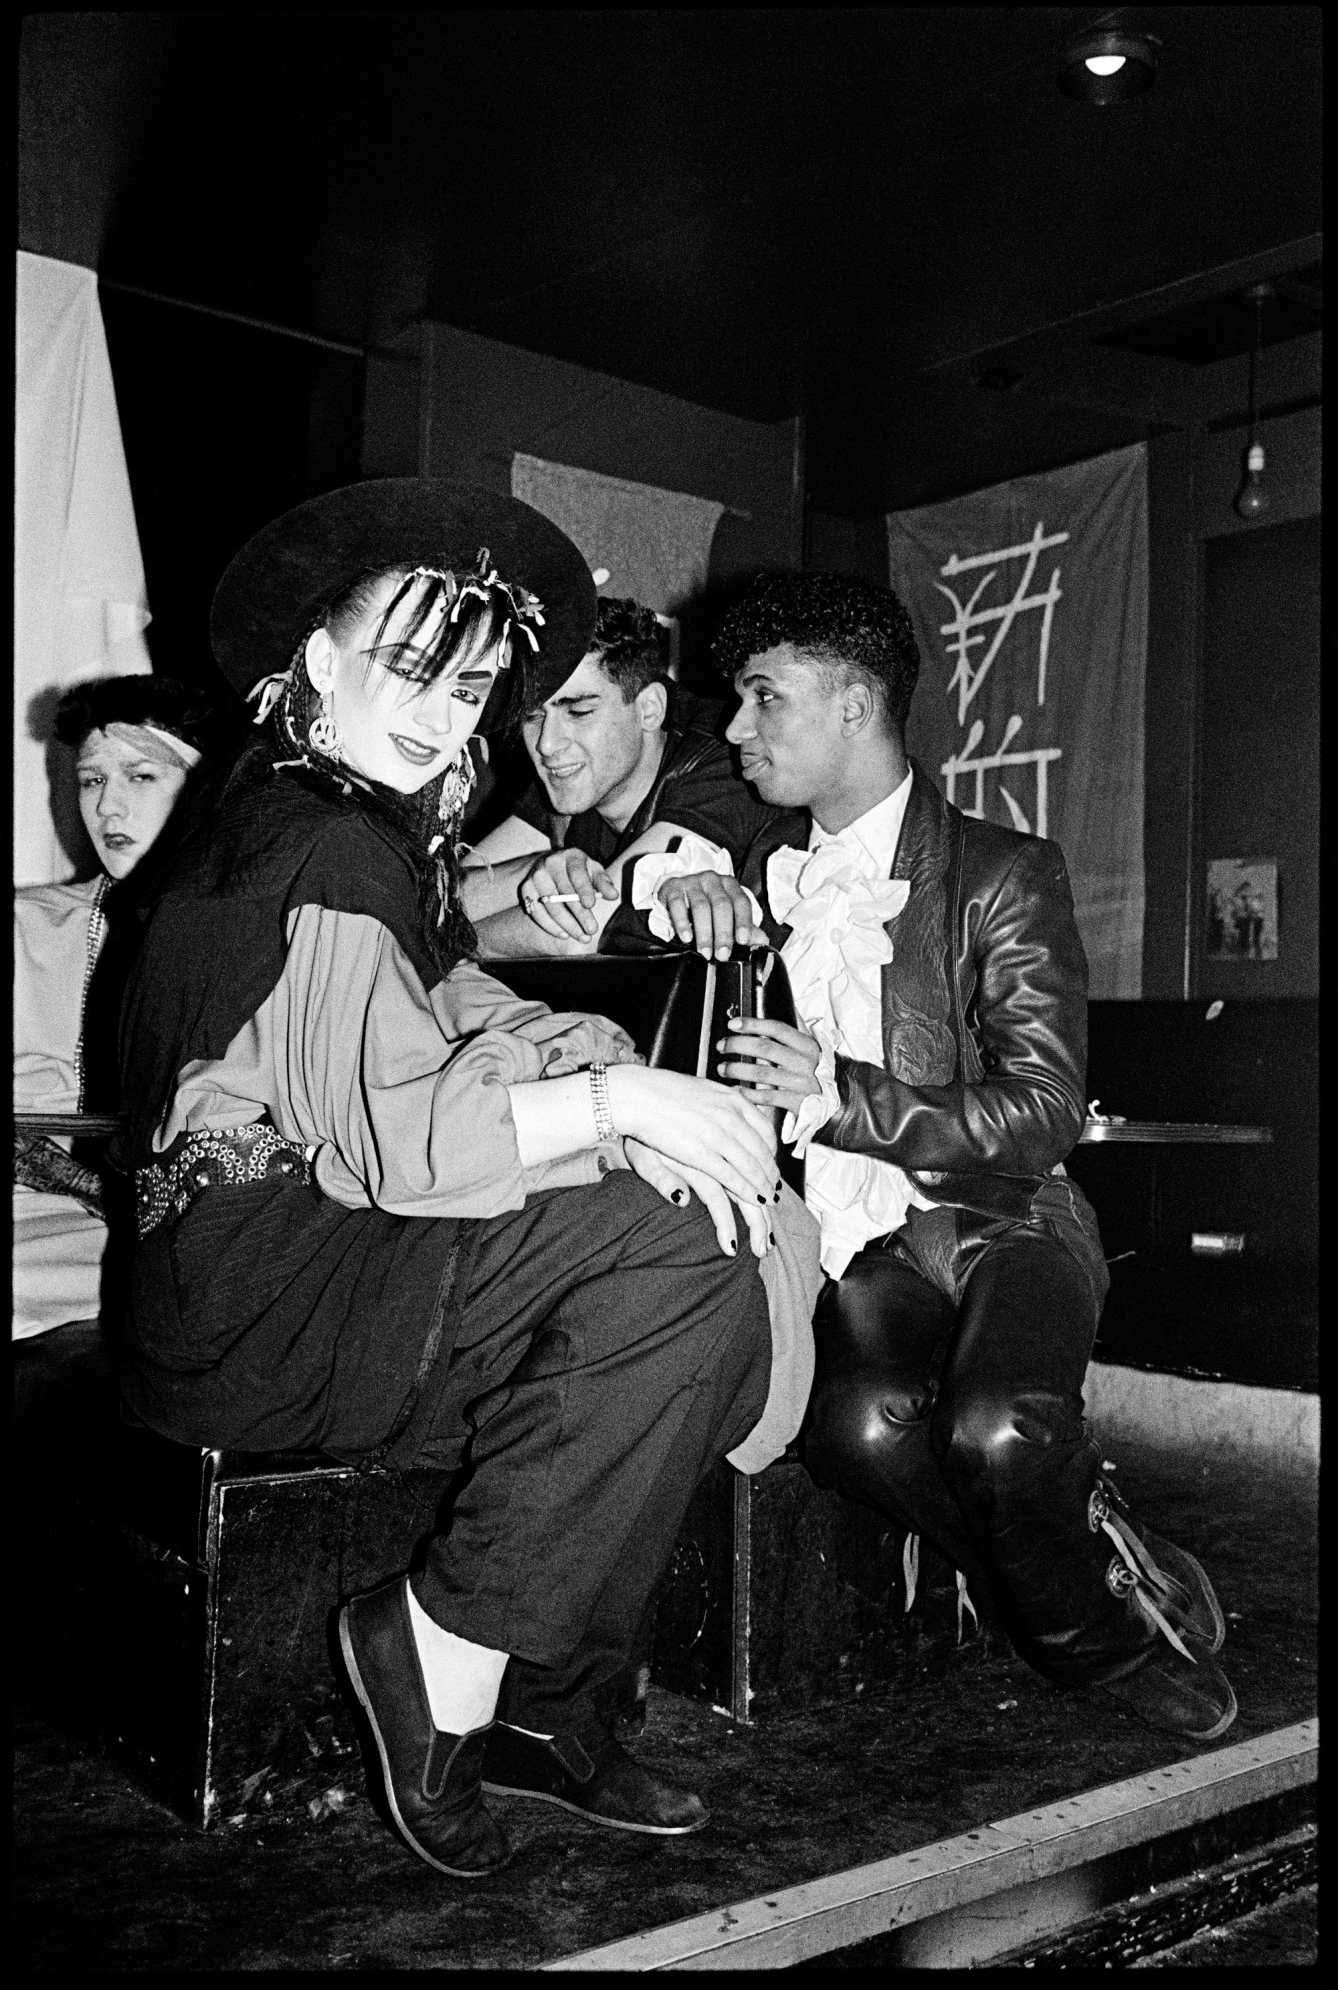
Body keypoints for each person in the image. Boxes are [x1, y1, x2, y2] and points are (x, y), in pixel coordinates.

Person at [115, 479, 786, 1880]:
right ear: (318, 659)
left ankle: (551, 1700)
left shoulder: (338, 817)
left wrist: (601, 1065)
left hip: (294, 1264)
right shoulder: (316, 839)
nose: (444, 712)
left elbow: (445, 997)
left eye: (472, 684)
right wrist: (616, 1098)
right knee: (671, 1254)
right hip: (262, 1308)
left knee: (706, 1272)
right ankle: (447, 1636)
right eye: (411, 668)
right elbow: (401, 1139)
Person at [664, 570, 1236, 1744]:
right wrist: (662, 879)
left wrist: (840, 1097)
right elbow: (637, 858)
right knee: (855, 1431)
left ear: (856, 706)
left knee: (996, 1430)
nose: (734, 729)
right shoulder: (761, 862)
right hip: (872, 1244)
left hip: (1011, 1219)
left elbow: (1042, 1111)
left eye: (764, 699)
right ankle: (1082, 1540)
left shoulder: (1003, 873)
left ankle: (1101, 1648)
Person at [13, 675, 216, 1339]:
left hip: (153, 1237)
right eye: (92, 781)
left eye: (142, 777)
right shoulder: (27, 928)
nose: (108, 809)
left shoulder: (257, 943)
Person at [462, 594, 779, 962]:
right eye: (532, 717)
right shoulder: (574, 770)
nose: (547, 744)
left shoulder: (722, 762)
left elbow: (580, 935)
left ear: (649, 709)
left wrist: (436, 946)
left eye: (579, 712)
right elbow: (439, 897)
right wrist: (532, 867)